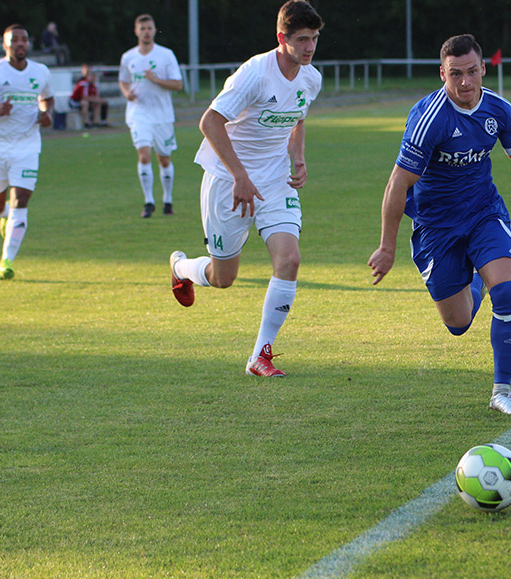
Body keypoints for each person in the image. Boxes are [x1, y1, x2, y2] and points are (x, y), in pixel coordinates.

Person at [368, 34, 511, 415]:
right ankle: (475, 279)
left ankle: (502, 391)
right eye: (456, 74)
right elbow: (397, 183)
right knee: (458, 323)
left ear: (483, 69)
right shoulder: (429, 119)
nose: (466, 82)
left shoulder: (499, 110)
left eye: (472, 72)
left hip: (484, 212)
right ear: (443, 74)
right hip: (436, 227)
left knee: (505, 291)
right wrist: (387, 247)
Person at [168, 0, 323, 377]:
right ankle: (180, 267)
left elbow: (297, 119)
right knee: (224, 279)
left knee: (289, 260)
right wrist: (239, 175)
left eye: (315, 39)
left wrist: (298, 158)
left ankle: (260, 356)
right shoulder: (255, 74)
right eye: (302, 39)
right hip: (227, 182)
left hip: (274, 180)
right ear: (281, 37)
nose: (309, 48)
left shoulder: (311, 77)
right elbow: (209, 122)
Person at [0, 24, 54, 281]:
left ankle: (6, 261)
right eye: (14, 40)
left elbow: (48, 99)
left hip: (27, 146)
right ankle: (4, 218)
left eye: (24, 40)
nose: (20, 44)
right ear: (6, 45)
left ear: (29, 43)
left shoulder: (41, 72)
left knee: (21, 201)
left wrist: (47, 114)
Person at [119, 14, 182, 218]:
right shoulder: (128, 57)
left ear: (154, 31)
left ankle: (168, 200)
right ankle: (148, 202)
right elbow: (123, 81)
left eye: (149, 28)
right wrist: (126, 92)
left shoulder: (166, 55)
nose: (146, 32)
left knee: (164, 159)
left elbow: (177, 84)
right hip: (139, 114)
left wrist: (156, 79)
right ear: (136, 32)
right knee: (144, 155)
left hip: (162, 115)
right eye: (142, 28)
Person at [71, 63, 109, 128]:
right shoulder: (84, 84)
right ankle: (86, 123)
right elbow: (84, 97)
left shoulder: (94, 86)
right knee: (85, 103)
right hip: (75, 101)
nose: (93, 79)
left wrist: (99, 100)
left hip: (86, 101)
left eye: (94, 77)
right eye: (91, 77)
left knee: (98, 103)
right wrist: (97, 100)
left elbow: (95, 97)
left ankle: (95, 123)